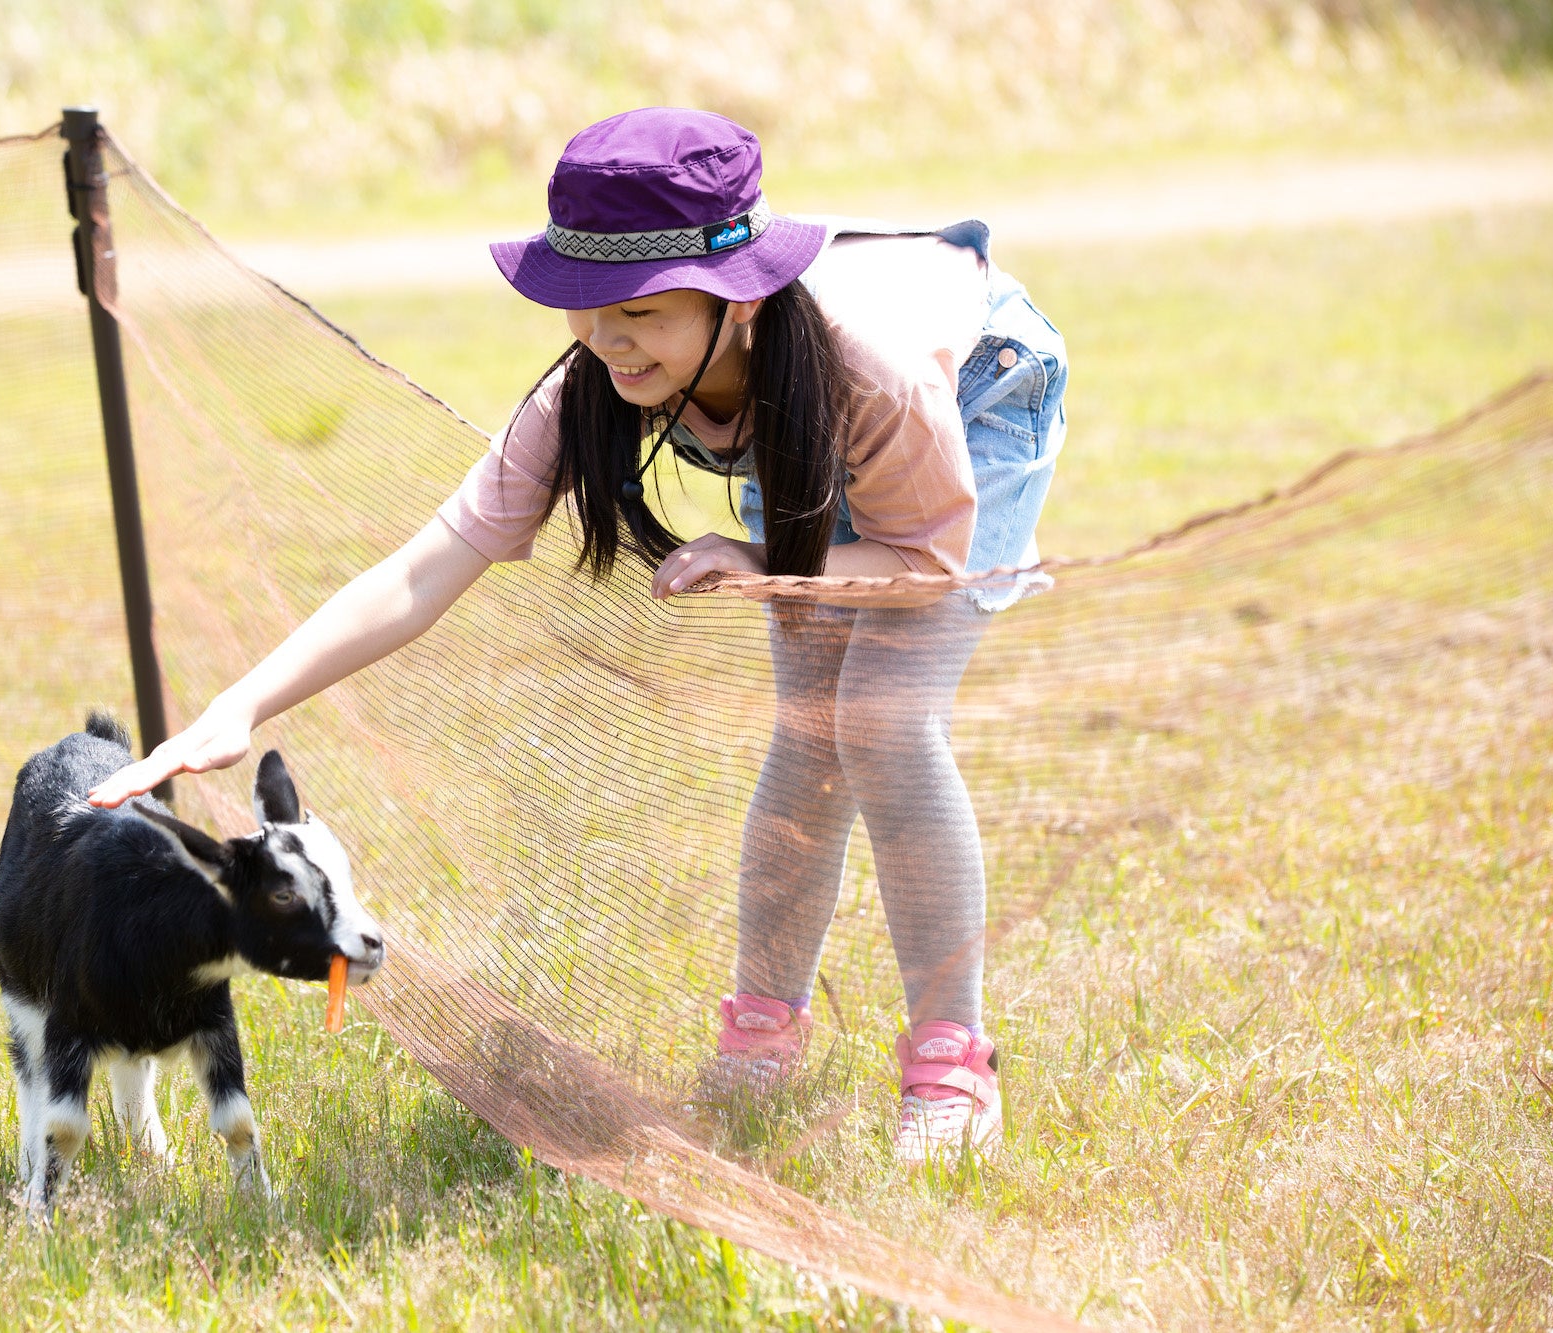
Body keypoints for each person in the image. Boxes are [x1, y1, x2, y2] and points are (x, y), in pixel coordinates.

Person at [89, 107, 1067, 1165]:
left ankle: (951, 1063)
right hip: (797, 418)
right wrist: (241, 705)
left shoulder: (873, 373)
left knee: (879, 719)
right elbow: (424, 569)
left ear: (738, 298)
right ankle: (762, 1032)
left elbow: (925, 561)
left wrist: (762, 563)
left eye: (639, 309)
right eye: (584, 305)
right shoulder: (600, 378)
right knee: (808, 734)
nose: (606, 339)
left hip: (973, 395)